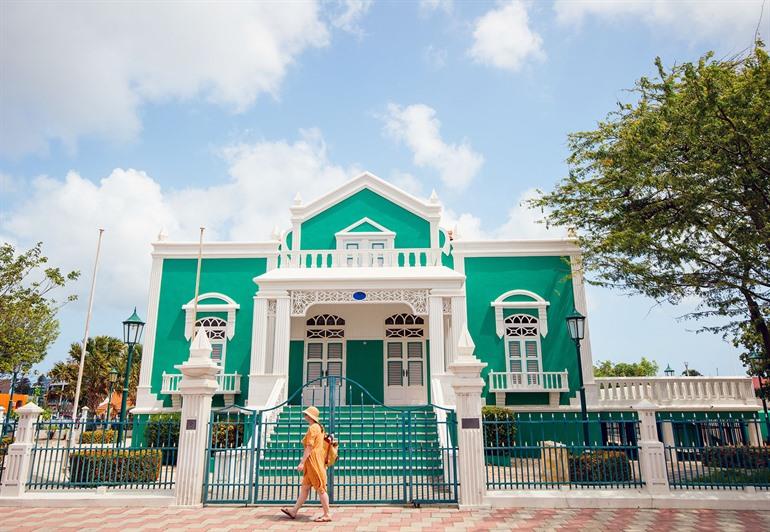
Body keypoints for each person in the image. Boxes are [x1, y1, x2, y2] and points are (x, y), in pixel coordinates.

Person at [281, 405, 331, 522]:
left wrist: (302, 462)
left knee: (320, 488)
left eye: (306, 414)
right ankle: (294, 511)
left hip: (313, 461)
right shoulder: (319, 427)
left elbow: (309, 447)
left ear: (311, 416)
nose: (305, 416)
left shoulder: (313, 428)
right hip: (314, 460)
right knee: (305, 487)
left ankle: (327, 514)